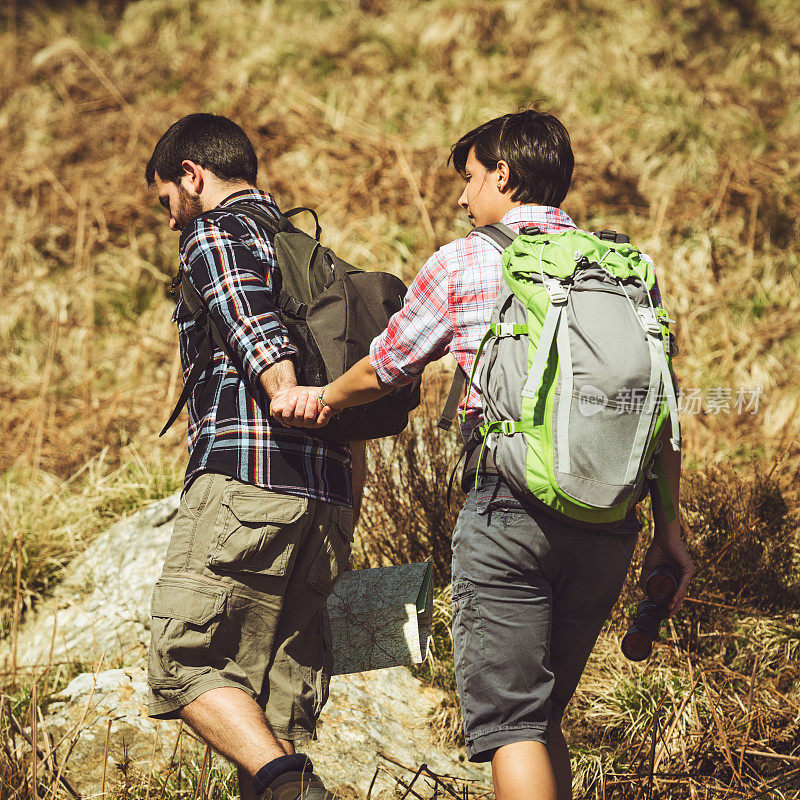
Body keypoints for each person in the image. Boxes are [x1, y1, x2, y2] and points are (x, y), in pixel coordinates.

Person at [270, 110, 696, 800]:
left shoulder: (466, 258)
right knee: (542, 715)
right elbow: (667, 412)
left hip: (512, 514)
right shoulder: (623, 266)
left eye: (469, 179)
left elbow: (386, 366)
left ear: (503, 174)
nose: (462, 198)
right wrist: (670, 528)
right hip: (609, 523)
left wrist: (324, 397)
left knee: (510, 725)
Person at [145, 113, 365, 800]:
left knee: (182, 659)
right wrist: (348, 505)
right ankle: (282, 779)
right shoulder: (305, 245)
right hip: (326, 500)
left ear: (192, 175)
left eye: (166, 202)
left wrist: (282, 390)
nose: (171, 219)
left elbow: (248, 319)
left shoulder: (215, 229)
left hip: (248, 479)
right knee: (277, 701)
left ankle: (287, 783)